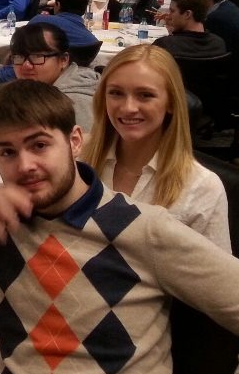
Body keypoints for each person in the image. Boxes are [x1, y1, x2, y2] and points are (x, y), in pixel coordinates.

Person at [0, 78, 239, 374]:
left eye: (39, 145)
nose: (25, 164)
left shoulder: (144, 230)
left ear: (75, 141)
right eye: (7, 152)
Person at [82, 44, 230, 250]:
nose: (128, 108)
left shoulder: (202, 188)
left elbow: (218, 278)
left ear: (170, 102)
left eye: (145, 95)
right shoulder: (79, 159)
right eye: (116, 93)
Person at [9, 23, 99, 131]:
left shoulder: (75, 103)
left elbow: (85, 147)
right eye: (19, 57)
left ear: (63, 60)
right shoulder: (35, 91)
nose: (26, 65)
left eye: (37, 56)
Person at [30, 0, 100, 63]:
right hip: (74, 74)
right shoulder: (91, 41)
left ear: (58, 4)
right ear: (85, 7)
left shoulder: (38, 22)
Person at [154, 0, 227, 59]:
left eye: (172, 11)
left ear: (187, 14)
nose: (169, 16)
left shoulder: (165, 45)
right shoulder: (218, 45)